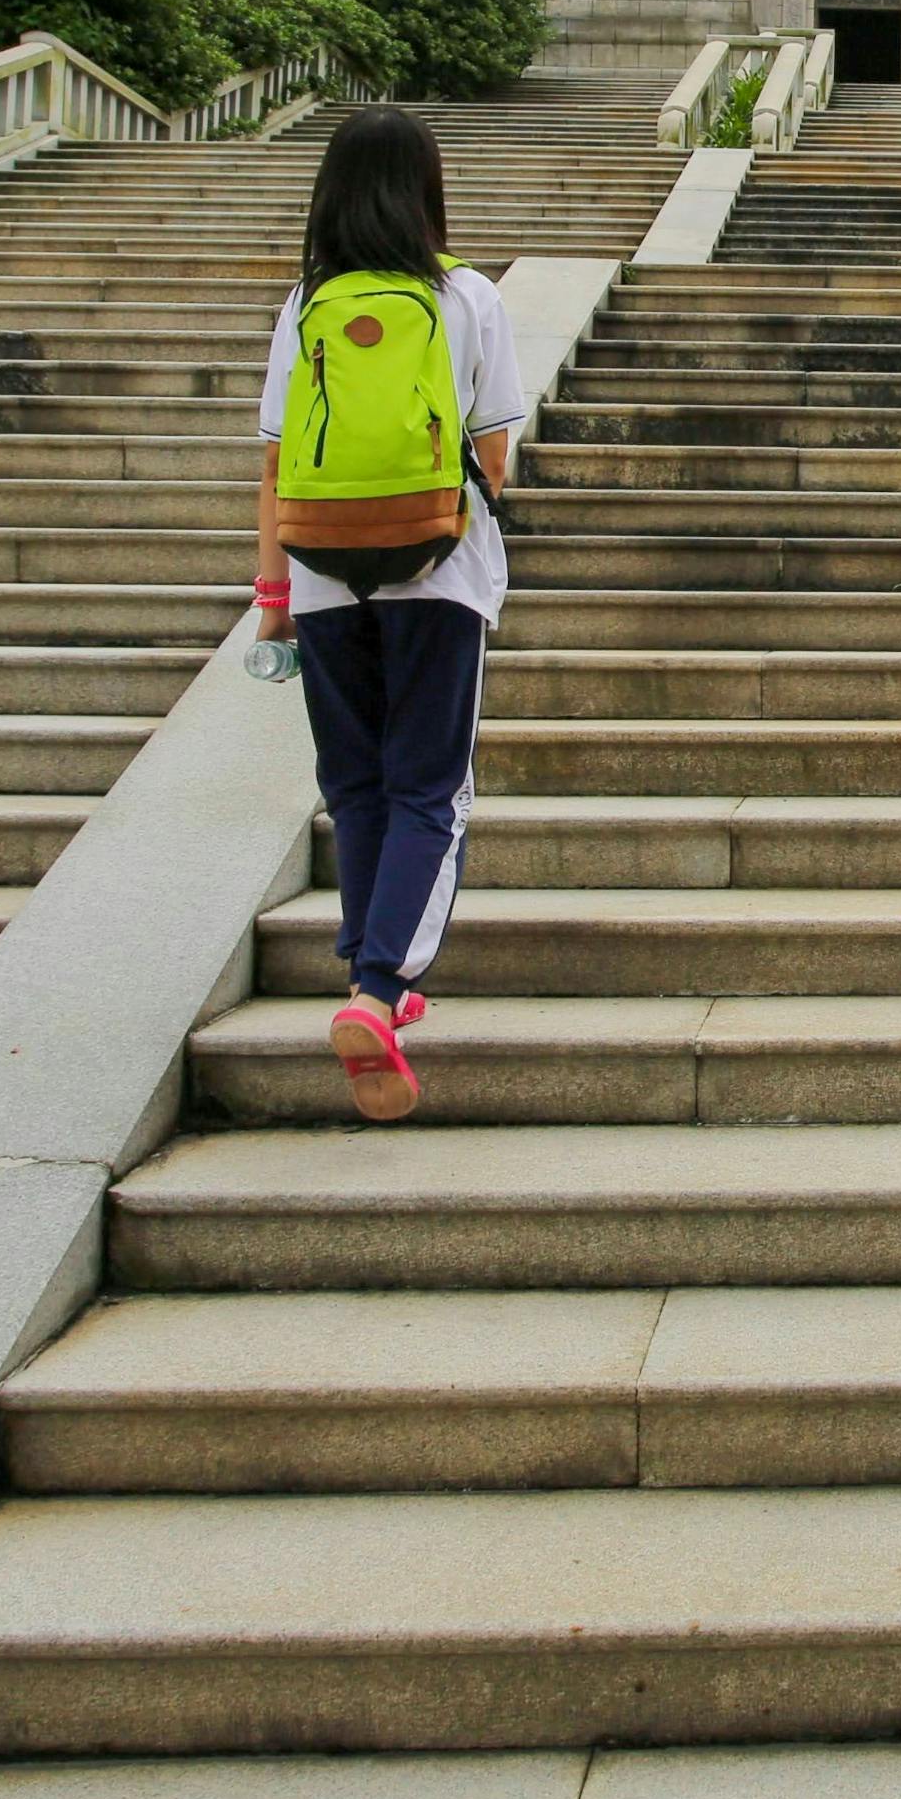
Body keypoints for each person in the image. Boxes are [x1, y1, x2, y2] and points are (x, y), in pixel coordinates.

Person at [252, 106, 524, 1120]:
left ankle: (368, 976)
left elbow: (278, 462)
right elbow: (492, 456)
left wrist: (273, 593)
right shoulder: (468, 297)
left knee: (355, 783)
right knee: (430, 790)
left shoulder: (307, 303)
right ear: (427, 190)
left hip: (322, 573)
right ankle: (379, 988)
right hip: (437, 571)